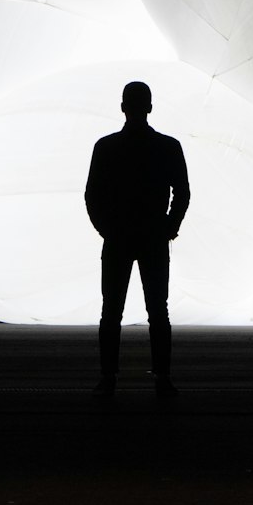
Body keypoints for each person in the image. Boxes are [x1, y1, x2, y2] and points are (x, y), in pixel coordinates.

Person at [85, 82, 190, 397]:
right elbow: (182, 192)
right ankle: (162, 376)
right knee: (158, 310)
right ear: (150, 107)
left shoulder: (106, 147)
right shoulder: (168, 146)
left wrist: (106, 228)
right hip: (152, 236)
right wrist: (170, 226)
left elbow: (93, 194)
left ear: (123, 107)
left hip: (119, 237)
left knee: (112, 310)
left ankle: (109, 377)